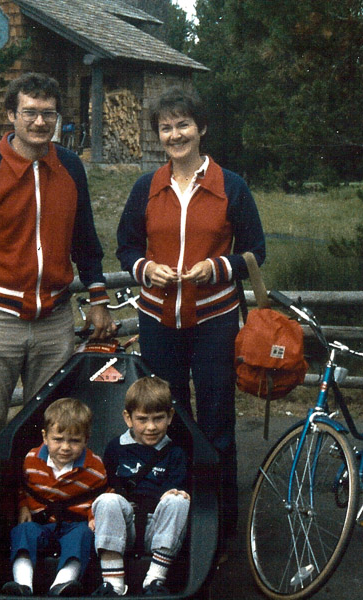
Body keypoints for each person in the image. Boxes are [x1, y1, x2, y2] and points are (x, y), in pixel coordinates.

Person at [0, 73, 116, 563]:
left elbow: (86, 243)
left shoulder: (71, 169)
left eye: (48, 114)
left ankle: (46, 537)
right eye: (30, 112)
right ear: (12, 116)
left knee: (53, 431)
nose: (40, 122)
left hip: (55, 319)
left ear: (57, 119)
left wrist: (98, 300)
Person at [116, 87, 265, 538]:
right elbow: (126, 247)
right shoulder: (147, 186)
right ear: (158, 135)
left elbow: (256, 251)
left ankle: (219, 525)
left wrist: (215, 267)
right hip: (159, 320)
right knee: (167, 416)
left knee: (217, 419)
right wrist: (146, 268)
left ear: (201, 129)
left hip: (215, 320)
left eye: (183, 124)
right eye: (166, 127)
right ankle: (172, 520)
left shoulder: (230, 186)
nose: (175, 134)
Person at [91, 376, 189, 596]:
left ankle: (155, 579)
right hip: (123, 526)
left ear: (170, 416)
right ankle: (113, 583)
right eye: (142, 419)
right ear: (128, 418)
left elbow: (172, 492)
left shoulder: (175, 453)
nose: (151, 427)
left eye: (158, 419)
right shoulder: (116, 448)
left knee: (178, 500)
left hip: (157, 528)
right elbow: (107, 486)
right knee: (107, 500)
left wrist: (174, 495)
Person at [2, 398, 108, 597]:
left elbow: (102, 496)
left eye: (74, 441)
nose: (65, 447)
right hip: (41, 524)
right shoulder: (32, 460)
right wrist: (24, 506)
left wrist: (94, 516)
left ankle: (63, 583)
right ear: (45, 437)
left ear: (86, 439)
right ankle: (23, 584)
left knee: (83, 535)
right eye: (58, 439)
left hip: (74, 524)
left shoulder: (94, 467)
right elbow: (23, 488)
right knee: (22, 532)